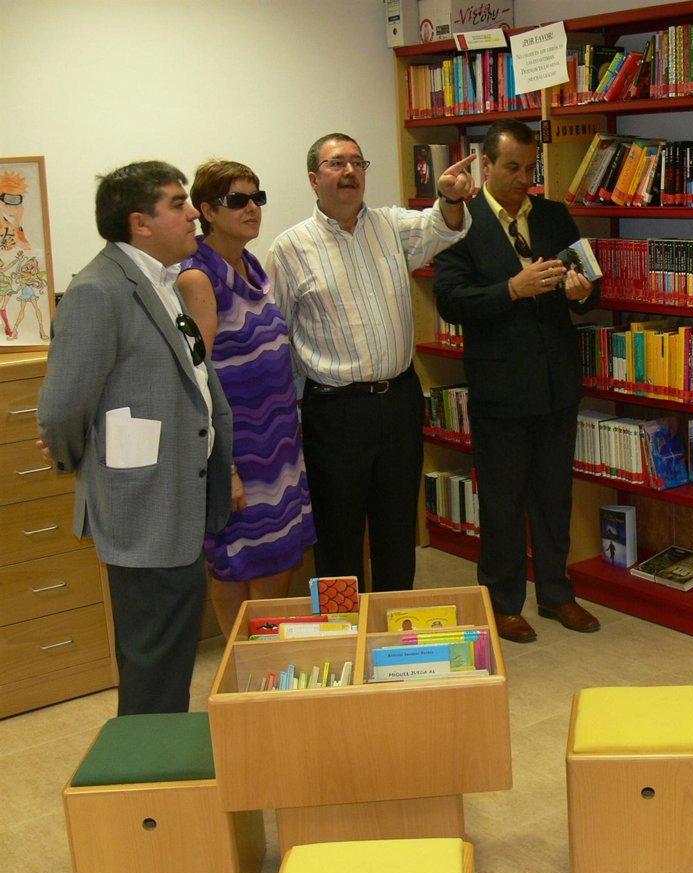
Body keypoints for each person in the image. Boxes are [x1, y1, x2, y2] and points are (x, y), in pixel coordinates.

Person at [38, 161, 233, 715]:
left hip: (175, 498)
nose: (193, 213)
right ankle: (148, 762)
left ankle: (159, 750)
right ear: (140, 223)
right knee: (154, 663)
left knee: (168, 656)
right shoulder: (98, 291)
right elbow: (61, 409)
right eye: (177, 203)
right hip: (142, 506)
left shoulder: (162, 281)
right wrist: (79, 461)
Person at [266, 133, 474, 592]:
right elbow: (278, 337)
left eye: (357, 163)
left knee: (397, 527)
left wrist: (449, 197)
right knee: (338, 533)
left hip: (398, 400)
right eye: (337, 163)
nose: (349, 172)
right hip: (334, 410)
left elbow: (442, 227)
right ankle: (343, 628)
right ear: (314, 179)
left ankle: (392, 621)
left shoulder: (390, 225)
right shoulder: (289, 248)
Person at [434, 119, 601, 643]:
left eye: (530, 169)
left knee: (554, 496)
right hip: (501, 387)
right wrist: (512, 288)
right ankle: (503, 602)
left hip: (557, 383)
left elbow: (592, 285)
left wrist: (582, 293)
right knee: (502, 502)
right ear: (485, 165)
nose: (523, 179)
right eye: (512, 168)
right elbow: (451, 301)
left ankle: (556, 593)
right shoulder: (460, 221)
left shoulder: (554, 215)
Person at [177, 160, 316, 637]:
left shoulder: (253, 266)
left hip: (278, 445)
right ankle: (246, 664)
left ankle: (262, 662)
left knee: (279, 560)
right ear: (207, 211)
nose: (252, 208)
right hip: (238, 450)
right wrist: (226, 466)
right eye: (238, 200)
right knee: (236, 565)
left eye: (258, 198)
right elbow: (196, 378)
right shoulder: (198, 277)